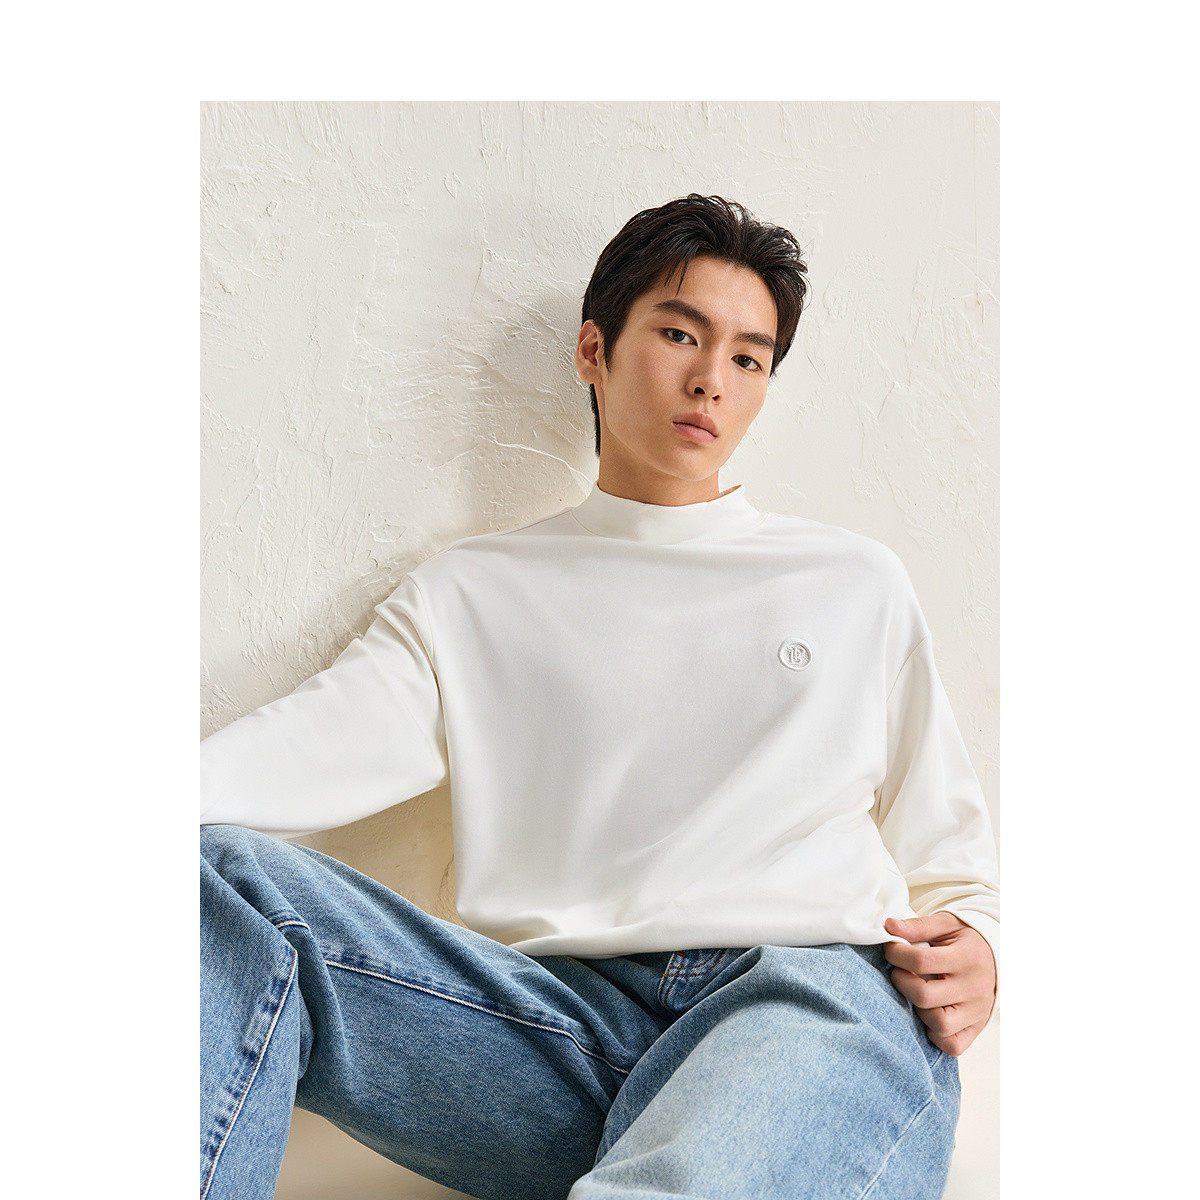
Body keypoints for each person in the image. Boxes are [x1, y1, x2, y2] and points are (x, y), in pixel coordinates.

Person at [200, 193, 1000, 1200]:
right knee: (213, 881)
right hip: (556, 1032)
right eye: (679, 335)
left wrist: (983, 944)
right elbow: (305, 747)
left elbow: (951, 857)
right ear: (594, 350)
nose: (711, 380)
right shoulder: (472, 595)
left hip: (804, 997)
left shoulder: (851, 581)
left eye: (750, 359)